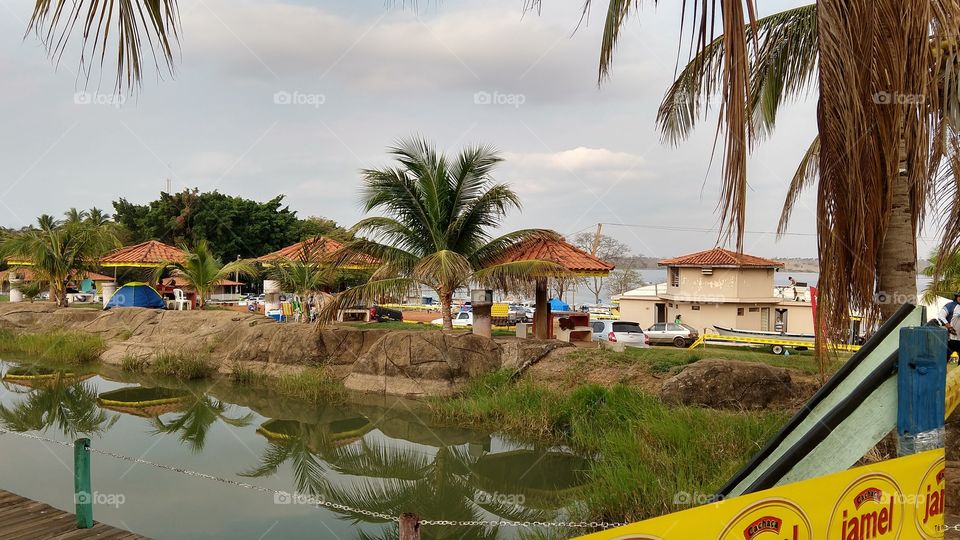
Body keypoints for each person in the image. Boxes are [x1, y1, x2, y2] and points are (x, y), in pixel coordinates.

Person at [937, 292, 960, 363]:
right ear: (956, 297)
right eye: (959, 296)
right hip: (950, 339)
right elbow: (941, 316)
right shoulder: (950, 305)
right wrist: (949, 327)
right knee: (943, 361)